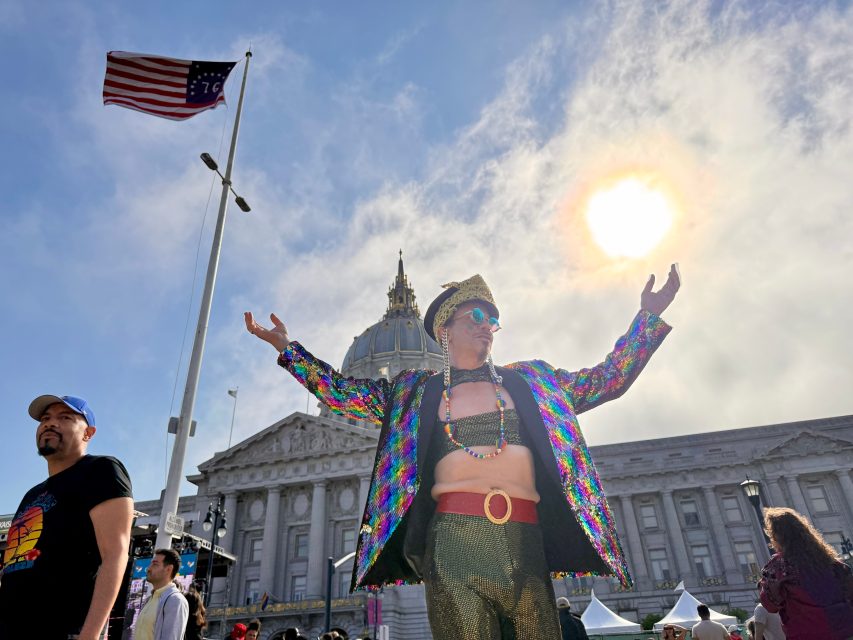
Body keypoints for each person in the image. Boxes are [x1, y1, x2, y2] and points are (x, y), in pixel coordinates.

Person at [245, 267, 680, 640]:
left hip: (525, 539)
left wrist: (647, 318)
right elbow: (341, 393)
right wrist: (289, 350)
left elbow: (606, 380)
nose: (487, 324)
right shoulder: (415, 394)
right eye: (475, 315)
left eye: (493, 319)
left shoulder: (533, 382)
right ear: (444, 331)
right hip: (453, 541)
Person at [0, 394, 134, 639]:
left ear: (88, 433)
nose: (50, 423)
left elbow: (115, 554)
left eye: (65, 417)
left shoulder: (101, 470)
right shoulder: (32, 494)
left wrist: (90, 634)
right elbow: (12, 564)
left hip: (62, 629)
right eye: (45, 418)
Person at [759, 507, 853, 640]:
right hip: (844, 630)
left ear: (776, 536)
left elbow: (770, 604)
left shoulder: (779, 567)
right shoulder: (832, 563)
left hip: (806, 633)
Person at [135, 548, 189, 640]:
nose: (148, 568)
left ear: (168, 569)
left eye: (155, 564)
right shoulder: (150, 599)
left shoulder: (176, 600)